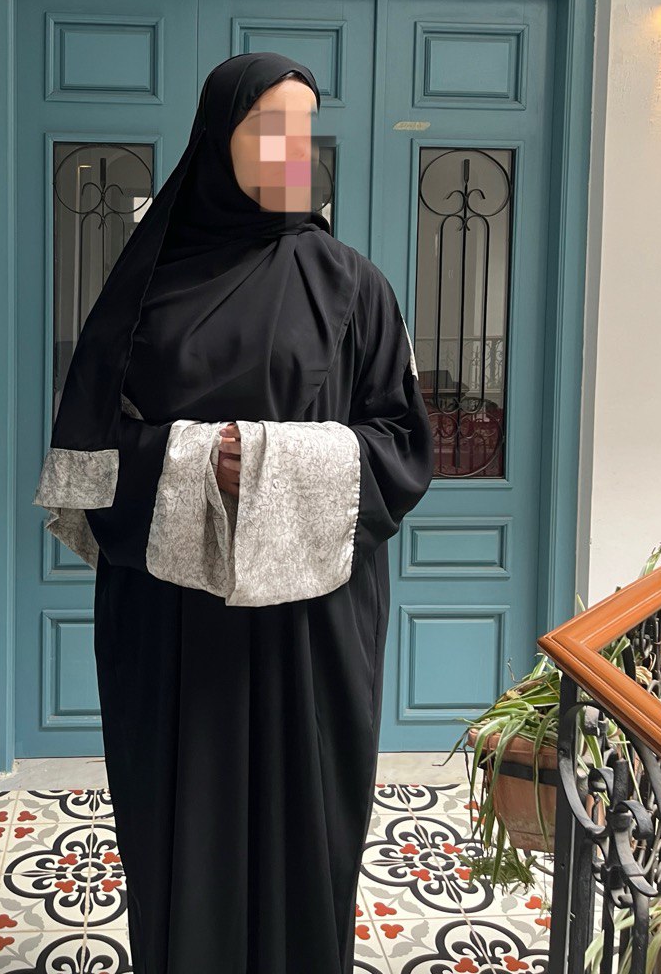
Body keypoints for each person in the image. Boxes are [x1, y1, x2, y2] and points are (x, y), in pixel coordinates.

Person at [33, 51, 436, 974]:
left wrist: (269, 464)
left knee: (309, 832)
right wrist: (190, 461)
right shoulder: (144, 287)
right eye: (270, 128)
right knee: (180, 834)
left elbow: (402, 446)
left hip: (311, 628)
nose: (295, 151)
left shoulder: (354, 286)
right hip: (172, 625)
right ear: (219, 138)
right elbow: (90, 459)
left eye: (305, 130)